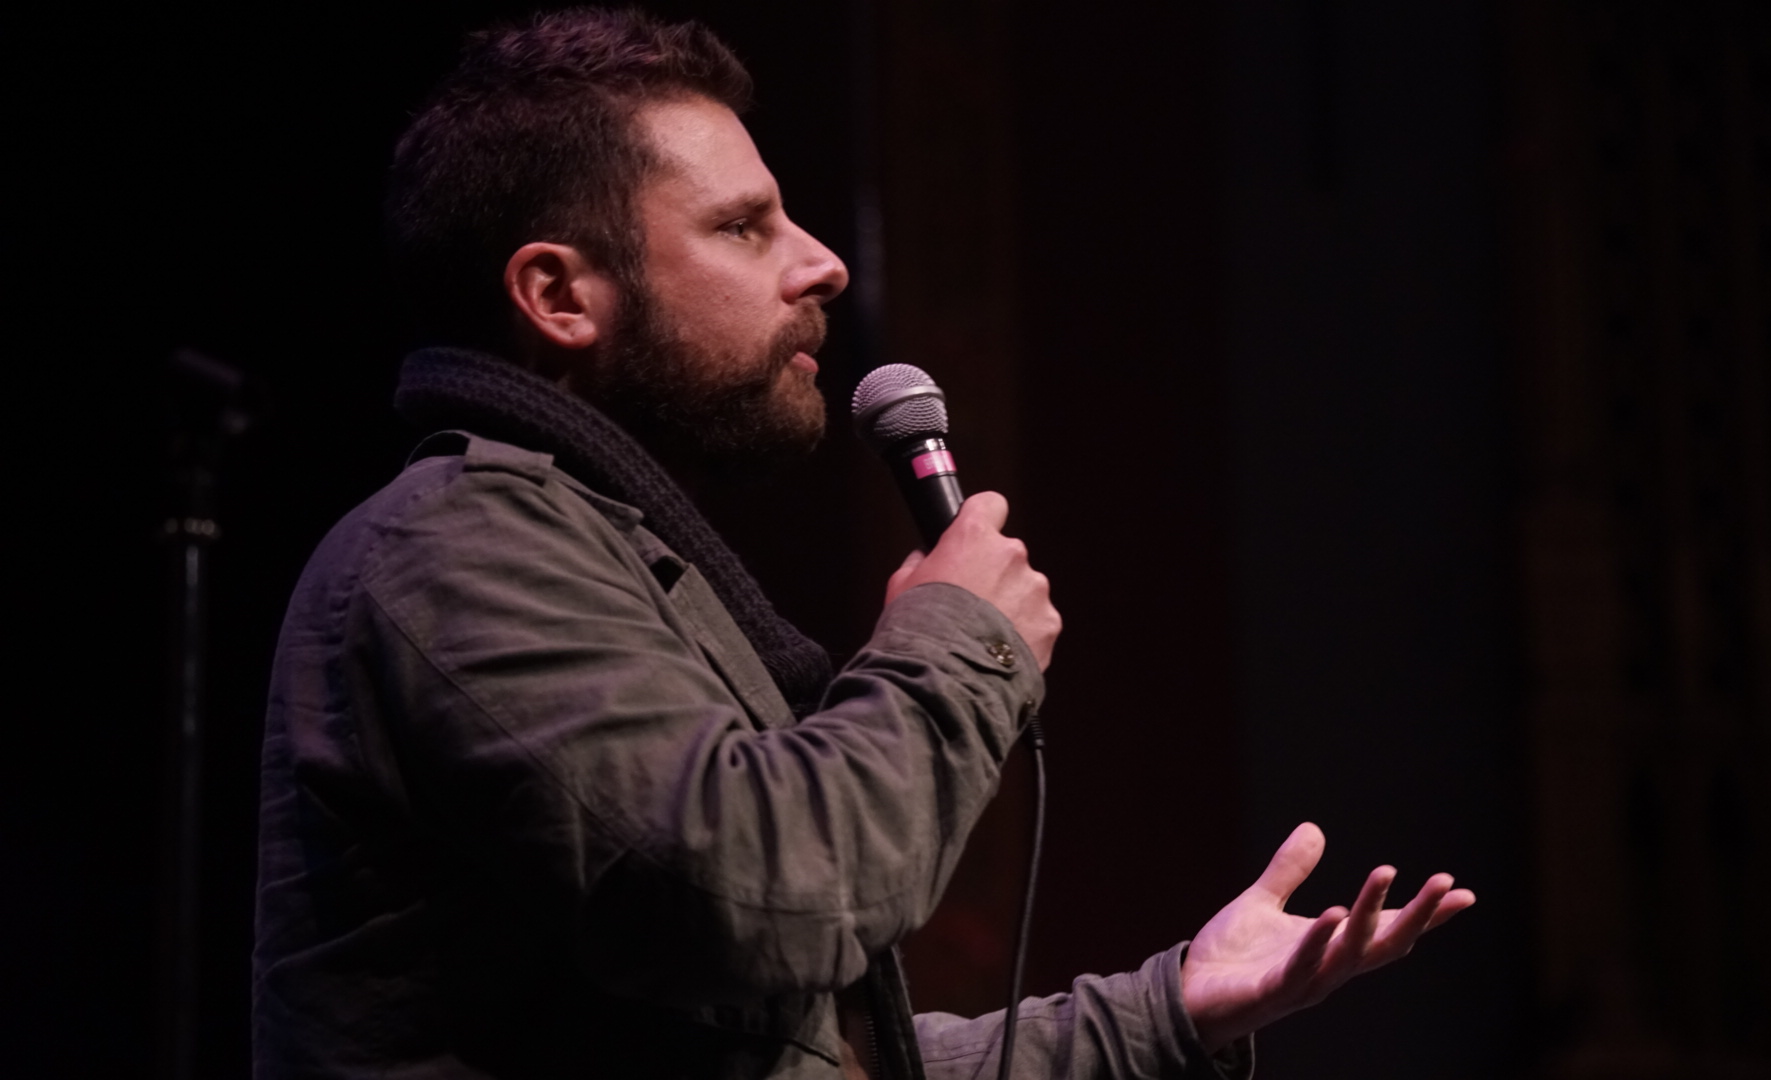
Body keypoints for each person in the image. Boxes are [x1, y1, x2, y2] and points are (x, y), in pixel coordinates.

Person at [251, 8, 1475, 1079]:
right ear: (560, 296)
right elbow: (758, 902)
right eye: (743, 227)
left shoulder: (596, 553)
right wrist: (955, 644)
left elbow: (791, 1054)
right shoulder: (455, 551)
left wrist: (1168, 1011)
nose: (821, 264)